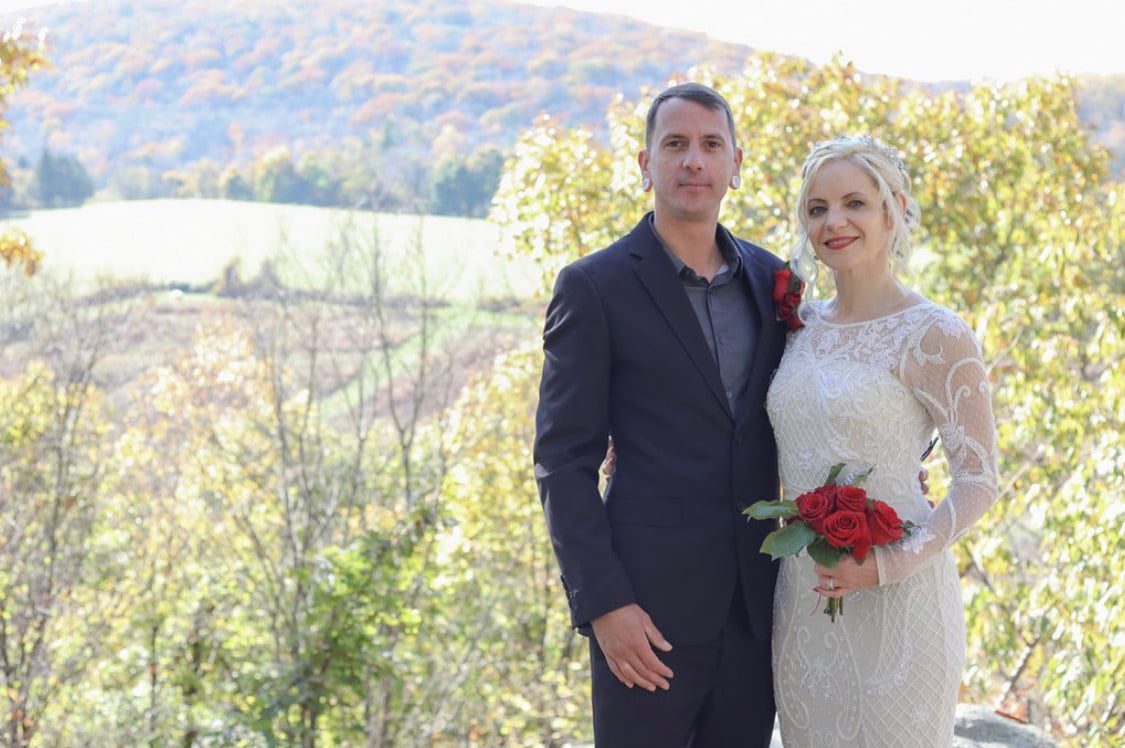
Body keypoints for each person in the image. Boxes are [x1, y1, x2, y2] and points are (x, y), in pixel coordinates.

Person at [534, 82, 785, 746]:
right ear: (644, 164)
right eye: (674, 145)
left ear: (737, 161)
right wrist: (606, 606)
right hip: (644, 618)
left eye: (709, 145)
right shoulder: (593, 287)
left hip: (757, 616)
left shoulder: (773, 281)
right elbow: (561, 462)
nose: (692, 161)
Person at [767, 135, 999, 746]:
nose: (834, 221)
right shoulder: (798, 328)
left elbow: (978, 481)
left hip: (901, 596)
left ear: (893, 208)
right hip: (804, 597)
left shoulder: (935, 335)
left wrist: (890, 563)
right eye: (817, 208)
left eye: (854, 203)